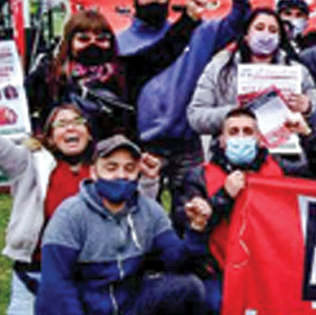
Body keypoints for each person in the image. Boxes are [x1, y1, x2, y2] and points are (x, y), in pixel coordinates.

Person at [118, 0, 251, 232]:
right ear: (134, 0)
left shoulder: (197, 34)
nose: (153, 1)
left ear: (169, 0)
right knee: (138, 214)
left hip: (186, 142)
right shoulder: (119, 43)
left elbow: (236, 24)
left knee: (192, 212)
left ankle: (188, 253)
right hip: (142, 143)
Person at [0, 104, 160, 314]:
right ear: (50, 137)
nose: (70, 128)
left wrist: (148, 179)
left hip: (91, 280)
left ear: (89, 133)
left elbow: (137, 214)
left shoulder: (105, 169)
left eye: (78, 122)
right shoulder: (29, 163)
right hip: (35, 275)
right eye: (61, 124)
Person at [37, 135, 212, 315]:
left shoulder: (150, 211)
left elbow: (179, 262)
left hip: (130, 304)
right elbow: (56, 285)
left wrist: (196, 228)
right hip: (84, 305)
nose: (121, 175)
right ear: (94, 172)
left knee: (189, 287)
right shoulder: (70, 215)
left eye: (129, 168)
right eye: (111, 168)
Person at [28, 0, 204, 138]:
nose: (93, 44)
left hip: (115, 158)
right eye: (83, 39)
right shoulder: (49, 74)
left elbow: (164, 51)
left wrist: (189, 19)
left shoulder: (126, 71)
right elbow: (23, 106)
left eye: (101, 39)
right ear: (69, 42)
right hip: (64, 159)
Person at [183, 107, 291, 313]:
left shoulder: (280, 170)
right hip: (219, 271)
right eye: (233, 132)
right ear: (222, 140)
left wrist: (308, 135)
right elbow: (190, 233)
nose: (241, 137)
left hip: (270, 271)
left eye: (247, 132)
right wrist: (224, 196)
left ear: (260, 139)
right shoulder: (199, 177)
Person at [187, 8, 316, 174]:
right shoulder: (220, 68)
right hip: (230, 161)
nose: (266, 35)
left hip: (284, 161)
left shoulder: (298, 71)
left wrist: (307, 108)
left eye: (273, 30)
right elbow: (196, 116)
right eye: (259, 28)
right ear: (246, 34)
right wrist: (234, 113)